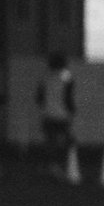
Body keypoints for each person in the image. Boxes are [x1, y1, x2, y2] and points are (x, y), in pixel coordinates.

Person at [36, 52, 77, 181]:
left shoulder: (45, 77)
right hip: (62, 114)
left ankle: (46, 167)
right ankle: (58, 167)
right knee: (63, 141)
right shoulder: (67, 77)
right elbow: (68, 96)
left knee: (49, 141)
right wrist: (72, 110)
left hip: (47, 114)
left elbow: (39, 97)